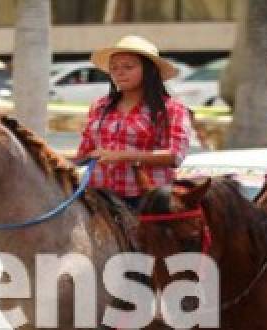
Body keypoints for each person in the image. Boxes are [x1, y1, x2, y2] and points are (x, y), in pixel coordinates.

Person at [74, 35, 192, 208]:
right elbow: (84, 153)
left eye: (128, 67)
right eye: (113, 68)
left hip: (149, 200)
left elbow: (174, 155)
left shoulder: (172, 109)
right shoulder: (99, 106)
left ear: (149, 70)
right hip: (99, 197)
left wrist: (122, 156)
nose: (119, 72)